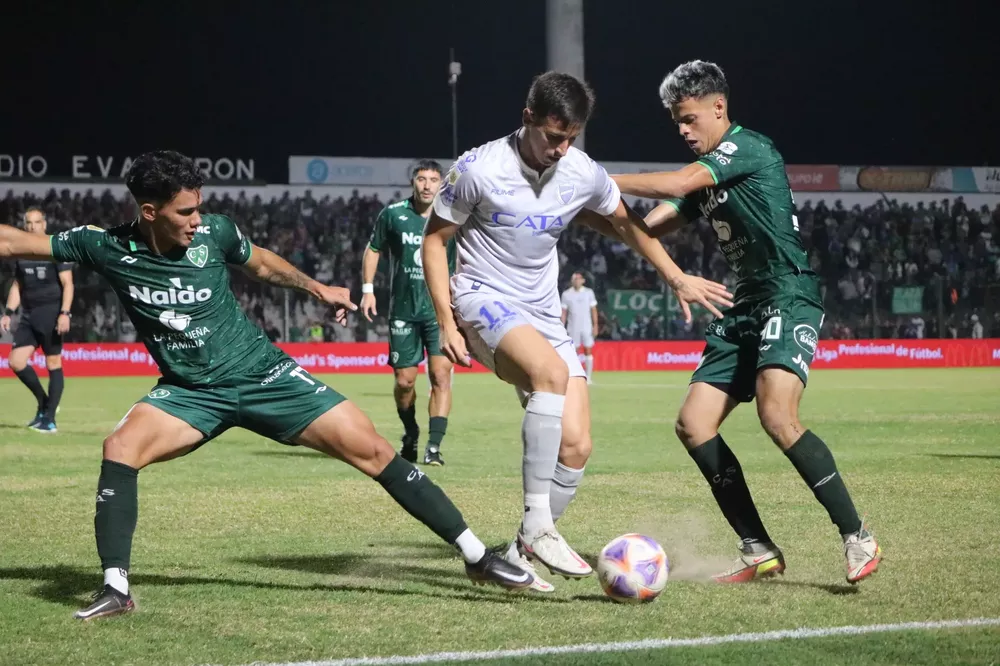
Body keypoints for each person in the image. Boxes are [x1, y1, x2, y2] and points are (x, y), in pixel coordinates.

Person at [0, 150, 534, 621]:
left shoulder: (217, 232)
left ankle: (477, 557)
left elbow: (260, 264)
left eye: (198, 207)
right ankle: (116, 587)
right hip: (192, 393)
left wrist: (318, 287)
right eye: (185, 211)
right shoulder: (103, 245)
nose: (196, 219)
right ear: (148, 212)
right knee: (119, 447)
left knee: (372, 448)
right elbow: (14, 241)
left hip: (264, 375)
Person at [423, 72, 732, 592]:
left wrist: (675, 276)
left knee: (578, 446)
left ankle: (521, 547)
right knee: (548, 374)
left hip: (542, 313)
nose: (561, 149)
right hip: (481, 298)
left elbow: (626, 222)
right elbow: (435, 241)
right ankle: (541, 525)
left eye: (571, 138)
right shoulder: (478, 168)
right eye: (552, 136)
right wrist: (445, 321)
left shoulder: (580, 170)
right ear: (527, 119)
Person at [611, 60, 881, 584]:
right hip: (744, 305)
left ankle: (857, 535)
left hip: (787, 292)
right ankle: (757, 548)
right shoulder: (705, 179)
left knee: (777, 416)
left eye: (689, 120)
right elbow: (643, 228)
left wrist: (596, 175)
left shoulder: (747, 148)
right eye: (677, 125)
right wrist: (583, 204)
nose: (684, 131)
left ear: (719, 107)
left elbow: (677, 180)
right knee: (693, 424)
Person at [361, 160, 455, 466]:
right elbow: (374, 248)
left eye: (433, 179)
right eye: (421, 179)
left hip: (440, 311)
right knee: (405, 382)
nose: (427, 185)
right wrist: (367, 289)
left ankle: (434, 446)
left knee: (440, 375)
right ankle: (411, 430)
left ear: (442, 184)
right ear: (413, 182)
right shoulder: (393, 214)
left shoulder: (452, 215)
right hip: (403, 311)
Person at [0, 207, 74, 433]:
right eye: (28, 223)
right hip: (29, 314)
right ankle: (45, 404)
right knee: (16, 362)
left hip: (51, 313)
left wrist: (65, 313)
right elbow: (17, 285)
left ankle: (49, 420)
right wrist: (9, 312)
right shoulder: (21, 251)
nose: (32, 226)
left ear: (44, 224)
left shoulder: (55, 247)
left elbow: (68, 284)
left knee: (53, 363)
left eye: (36, 222)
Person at [560, 271, 598, 384]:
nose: (577, 281)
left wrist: (595, 325)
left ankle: (589, 377)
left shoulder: (588, 292)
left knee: (588, 350)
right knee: (573, 351)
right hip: (573, 327)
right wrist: (562, 326)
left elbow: (594, 310)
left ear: (583, 280)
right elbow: (564, 312)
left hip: (586, 326)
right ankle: (574, 376)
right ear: (572, 281)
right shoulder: (566, 294)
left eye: (579, 279)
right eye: (575, 279)